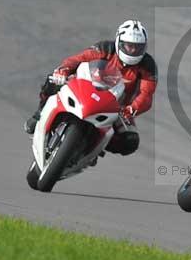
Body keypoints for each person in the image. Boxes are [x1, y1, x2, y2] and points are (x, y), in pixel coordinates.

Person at [23, 20, 157, 157]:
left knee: (130, 142)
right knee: (52, 80)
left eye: (137, 47)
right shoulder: (105, 48)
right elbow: (78, 59)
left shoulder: (147, 65)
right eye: (129, 46)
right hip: (86, 89)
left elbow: (146, 94)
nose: (133, 51)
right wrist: (64, 70)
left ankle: (97, 148)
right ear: (119, 42)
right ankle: (38, 115)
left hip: (118, 108)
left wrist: (132, 108)